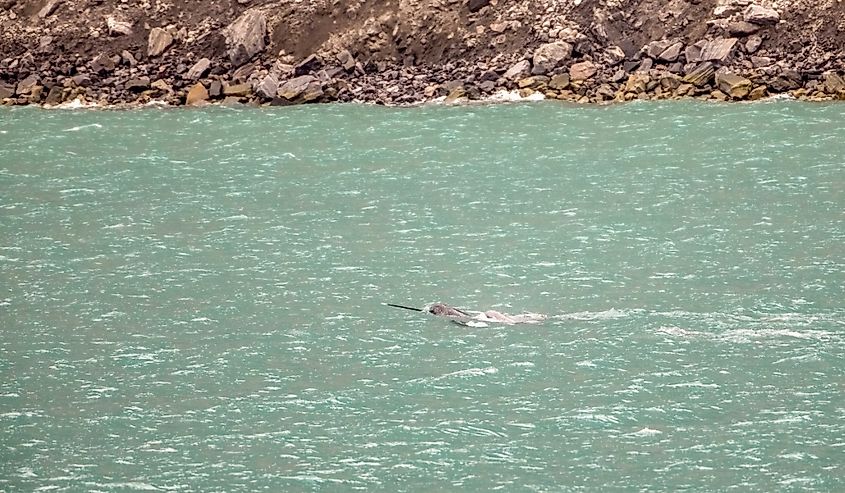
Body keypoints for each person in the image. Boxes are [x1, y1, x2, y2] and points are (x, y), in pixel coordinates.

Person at [424, 302, 546, 325]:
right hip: (482, 317)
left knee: (511, 321)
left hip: (481, 318)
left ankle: (514, 321)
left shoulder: (450, 315)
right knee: (510, 319)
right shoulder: (452, 312)